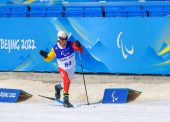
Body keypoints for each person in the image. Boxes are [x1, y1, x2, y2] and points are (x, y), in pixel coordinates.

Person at [39, 31, 83, 108]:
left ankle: (58, 87)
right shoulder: (55, 48)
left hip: (72, 68)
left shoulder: (71, 44)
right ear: (59, 39)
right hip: (62, 68)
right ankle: (66, 100)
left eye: (66, 39)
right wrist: (45, 56)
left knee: (67, 82)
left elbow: (80, 51)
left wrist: (79, 46)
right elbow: (49, 58)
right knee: (67, 81)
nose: (64, 41)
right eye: (62, 39)